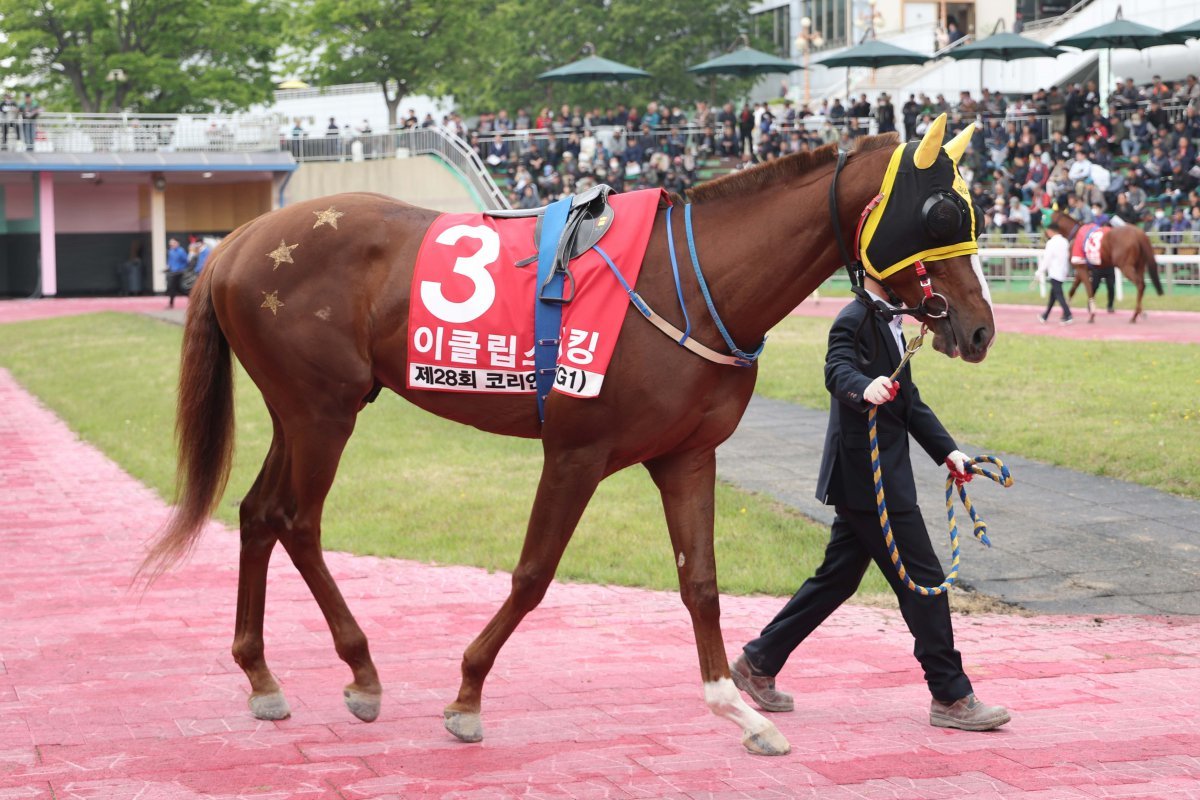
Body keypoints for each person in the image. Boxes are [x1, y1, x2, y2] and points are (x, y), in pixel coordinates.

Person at [730, 276, 1010, 732]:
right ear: (881, 273)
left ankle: (756, 662)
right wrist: (865, 386)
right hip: (870, 480)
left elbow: (910, 402)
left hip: (872, 477)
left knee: (836, 580)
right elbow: (836, 371)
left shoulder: (895, 321)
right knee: (924, 583)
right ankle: (951, 696)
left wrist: (949, 452)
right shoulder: (854, 318)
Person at [1037, 220, 1074, 324]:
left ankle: (1068, 314)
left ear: (1050, 231)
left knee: (1058, 295)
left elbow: (1047, 259)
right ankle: (1045, 316)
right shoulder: (1065, 241)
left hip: (1054, 272)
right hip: (1062, 271)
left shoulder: (1051, 243)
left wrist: (1039, 271)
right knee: (1053, 295)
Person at [165, 237, 189, 309]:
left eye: (172, 243)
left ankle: (170, 304)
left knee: (174, 288)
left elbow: (186, 261)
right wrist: (168, 266)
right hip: (173, 272)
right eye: (170, 243)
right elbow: (170, 261)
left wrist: (182, 269)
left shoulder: (181, 251)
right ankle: (192, 297)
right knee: (178, 289)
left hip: (179, 272)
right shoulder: (171, 251)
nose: (171, 244)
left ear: (177, 243)